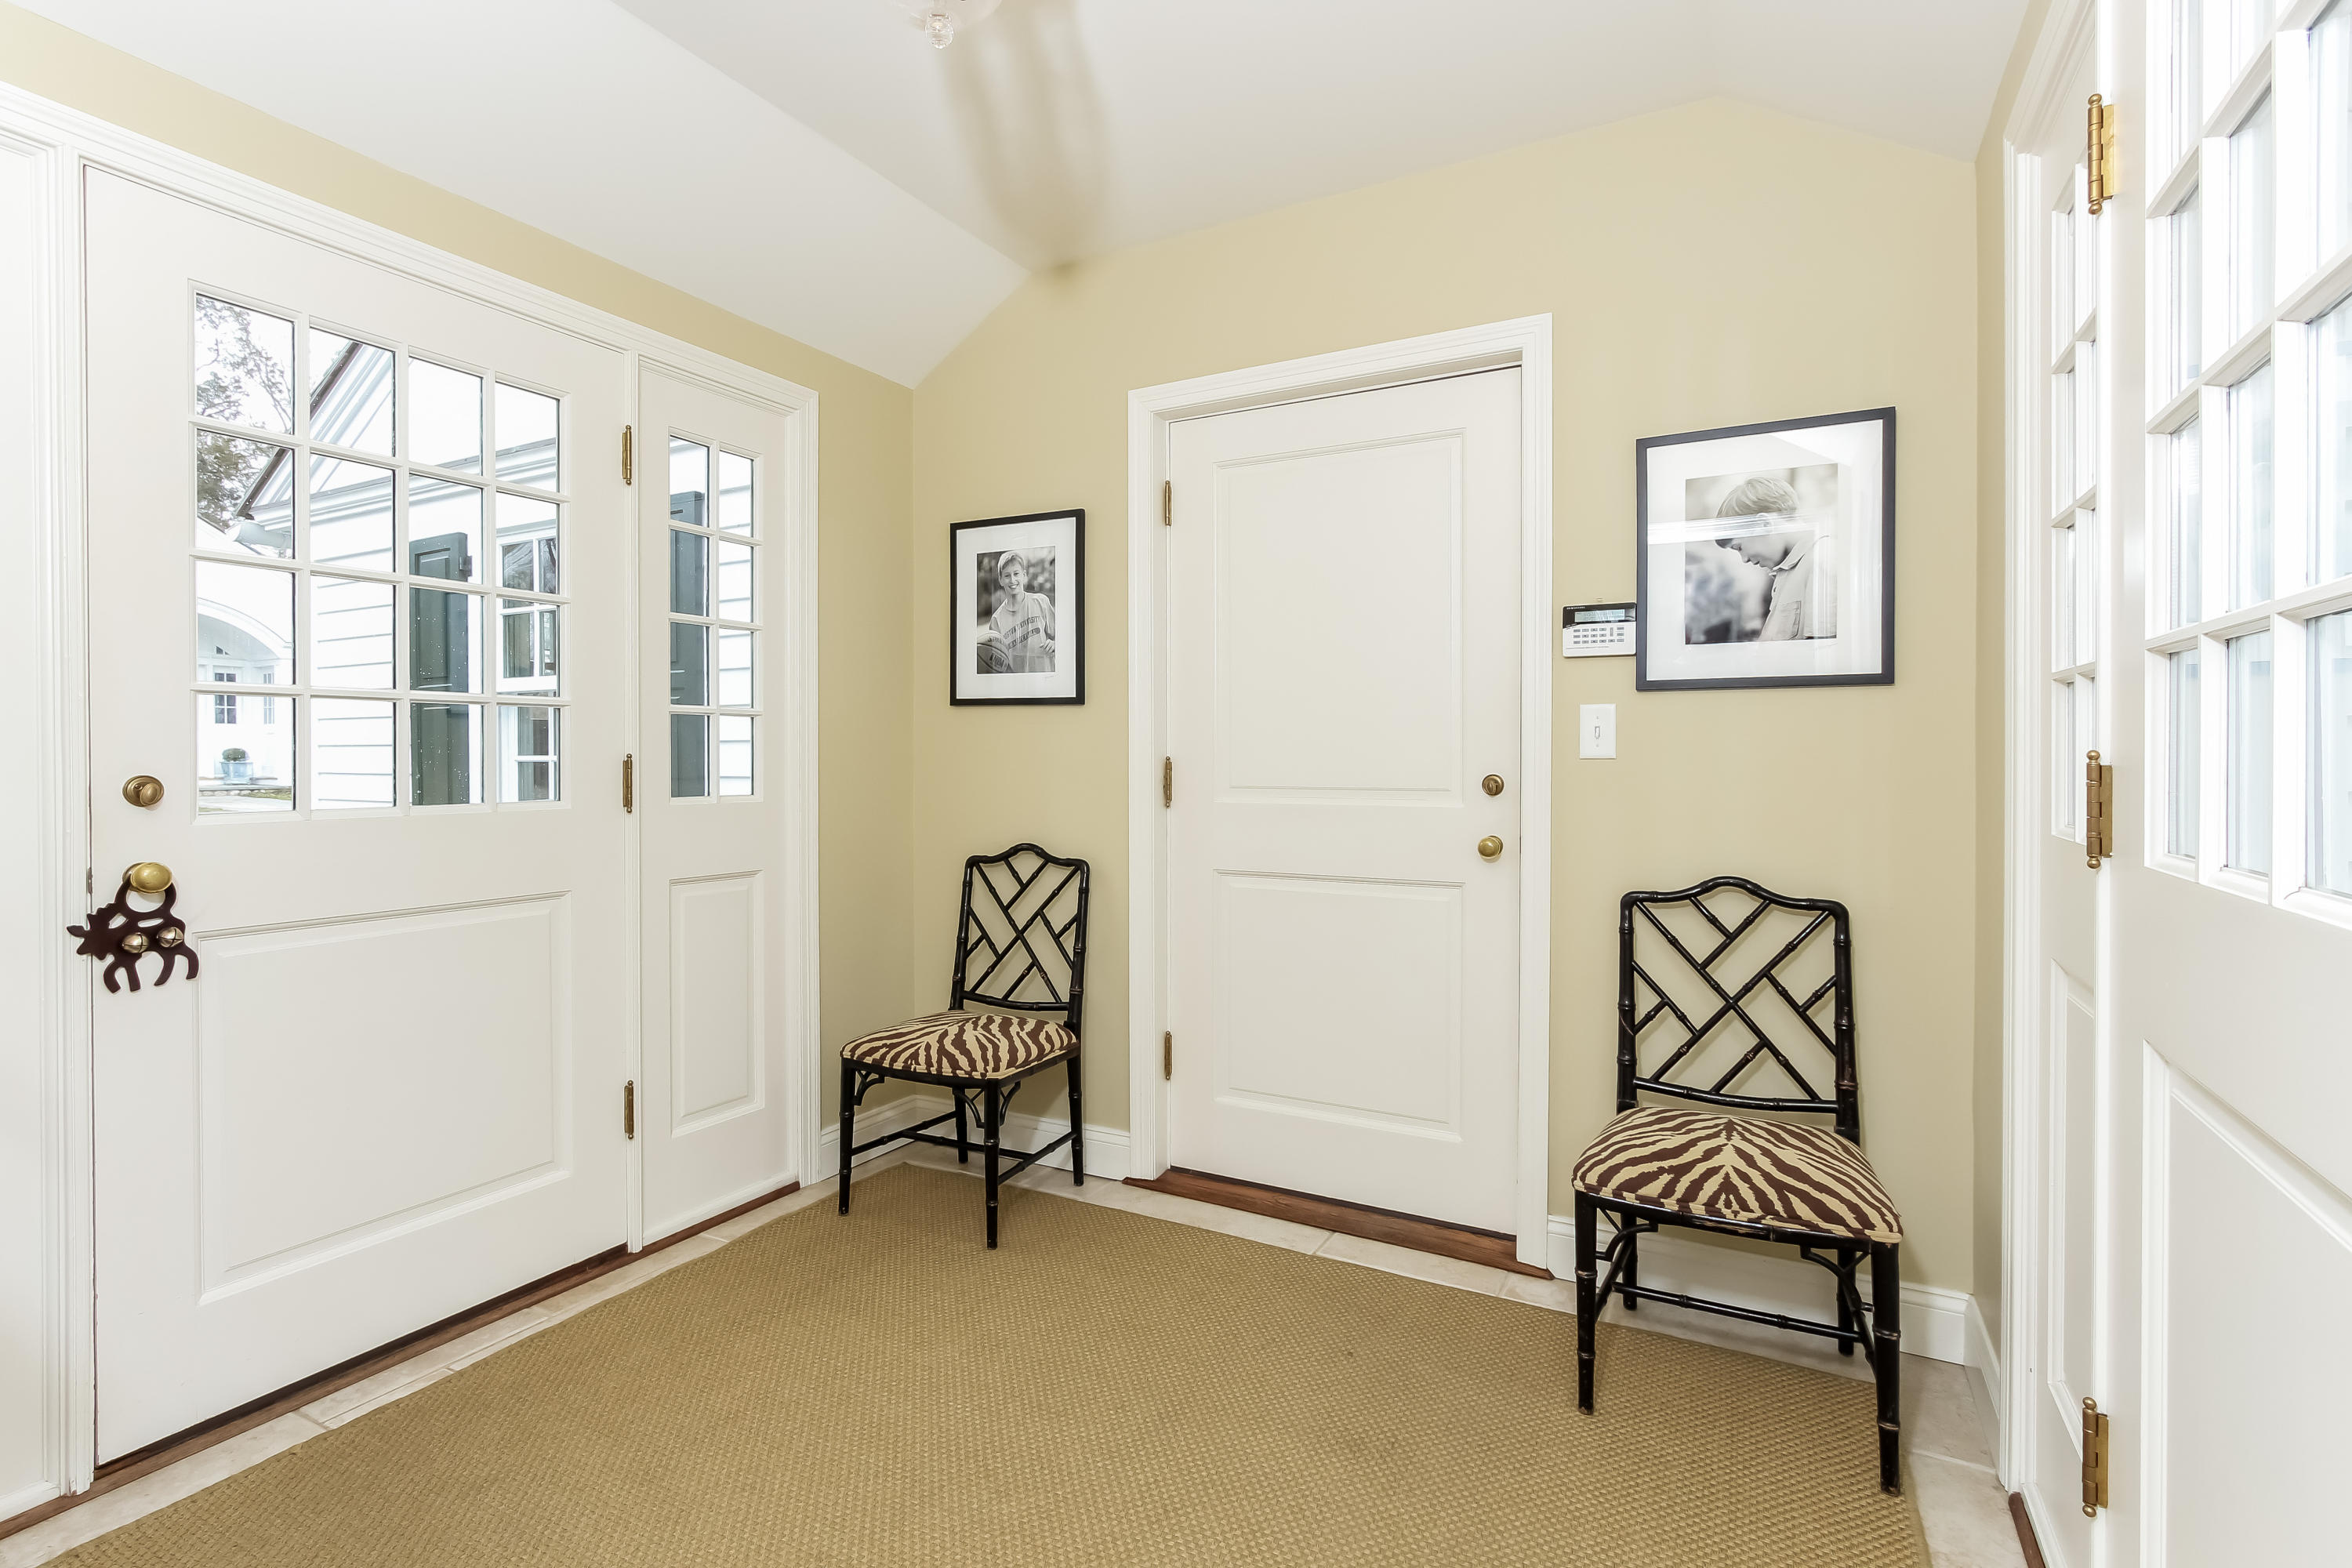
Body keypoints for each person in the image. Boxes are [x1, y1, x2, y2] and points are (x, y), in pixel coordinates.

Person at [1712, 477, 1838, 641]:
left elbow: (1823, 656)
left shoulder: (1822, 559)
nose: (1744, 559)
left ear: (1764, 524)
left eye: (1739, 547)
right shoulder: (1788, 570)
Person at [979, 551, 1056, 672]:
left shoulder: (1041, 602)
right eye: (1007, 575)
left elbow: (1063, 638)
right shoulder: (996, 620)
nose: (1012, 580)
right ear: (1000, 580)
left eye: (1016, 574)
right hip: (1016, 685)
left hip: (1046, 680)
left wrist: (1055, 644)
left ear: (1024, 575)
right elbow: (997, 661)